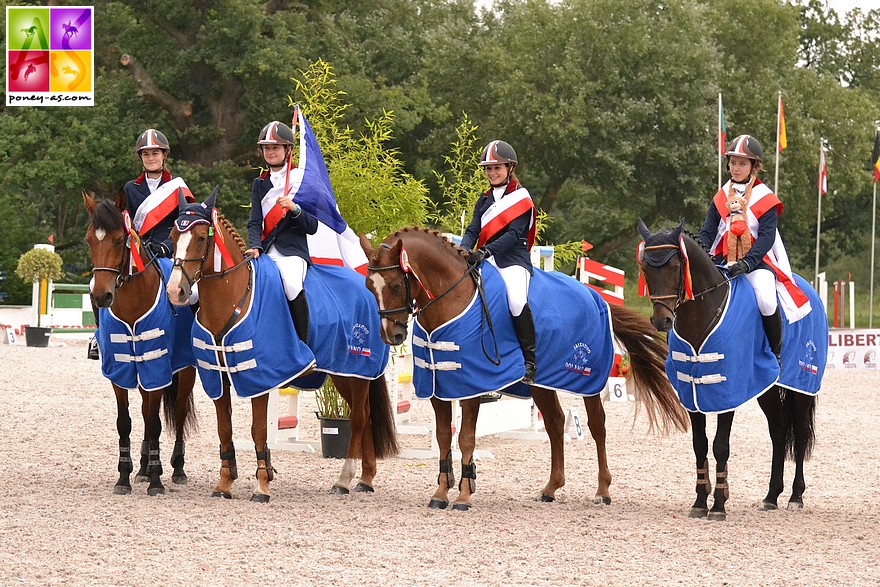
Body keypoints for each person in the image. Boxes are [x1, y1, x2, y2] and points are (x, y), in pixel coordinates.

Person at [87, 128, 192, 360]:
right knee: (95, 282)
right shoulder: (130, 188)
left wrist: (166, 245)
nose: (151, 157)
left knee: (193, 293)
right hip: (137, 251)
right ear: (141, 158)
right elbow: (125, 222)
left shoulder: (178, 187)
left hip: (167, 251)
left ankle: (193, 336)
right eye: (146, 154)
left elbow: (184, 224)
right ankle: (99, 335)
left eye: (155, 153)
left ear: (164, 155)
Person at [697, 134, 792, 366]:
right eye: (732, 162)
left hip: (756, 262)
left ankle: (775, 354)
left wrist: (748, 263)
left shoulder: (765, 197)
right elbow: (708, 232)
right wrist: (699, 253)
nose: (735, 168)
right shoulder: (721, 195)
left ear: (753, 166)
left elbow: (767, 237)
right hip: (723, 260)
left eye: (742, 163)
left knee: (767, 301)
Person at [460, 140, 538, 384]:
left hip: (513, 259)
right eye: (488, 169)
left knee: (516, 300)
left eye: (497, 168)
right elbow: (473, 230)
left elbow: (515, 234)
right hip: (486, 259)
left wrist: (484, 251)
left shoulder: (521, 198)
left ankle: (529, 361)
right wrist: (463, 249)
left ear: (510, 168)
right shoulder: (483, 200)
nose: (492, 173)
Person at [246, 121, 318, 344]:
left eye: (275, 147)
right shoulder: (260, 184)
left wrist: (295, 209)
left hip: (293, 251)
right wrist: (255, 245)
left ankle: (301, 345)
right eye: (267, 148)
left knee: (291, 284)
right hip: (266, 251)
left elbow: (312, 226)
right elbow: (255, 222)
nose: (270, 152)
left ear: (288, 150)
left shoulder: (301, 180)